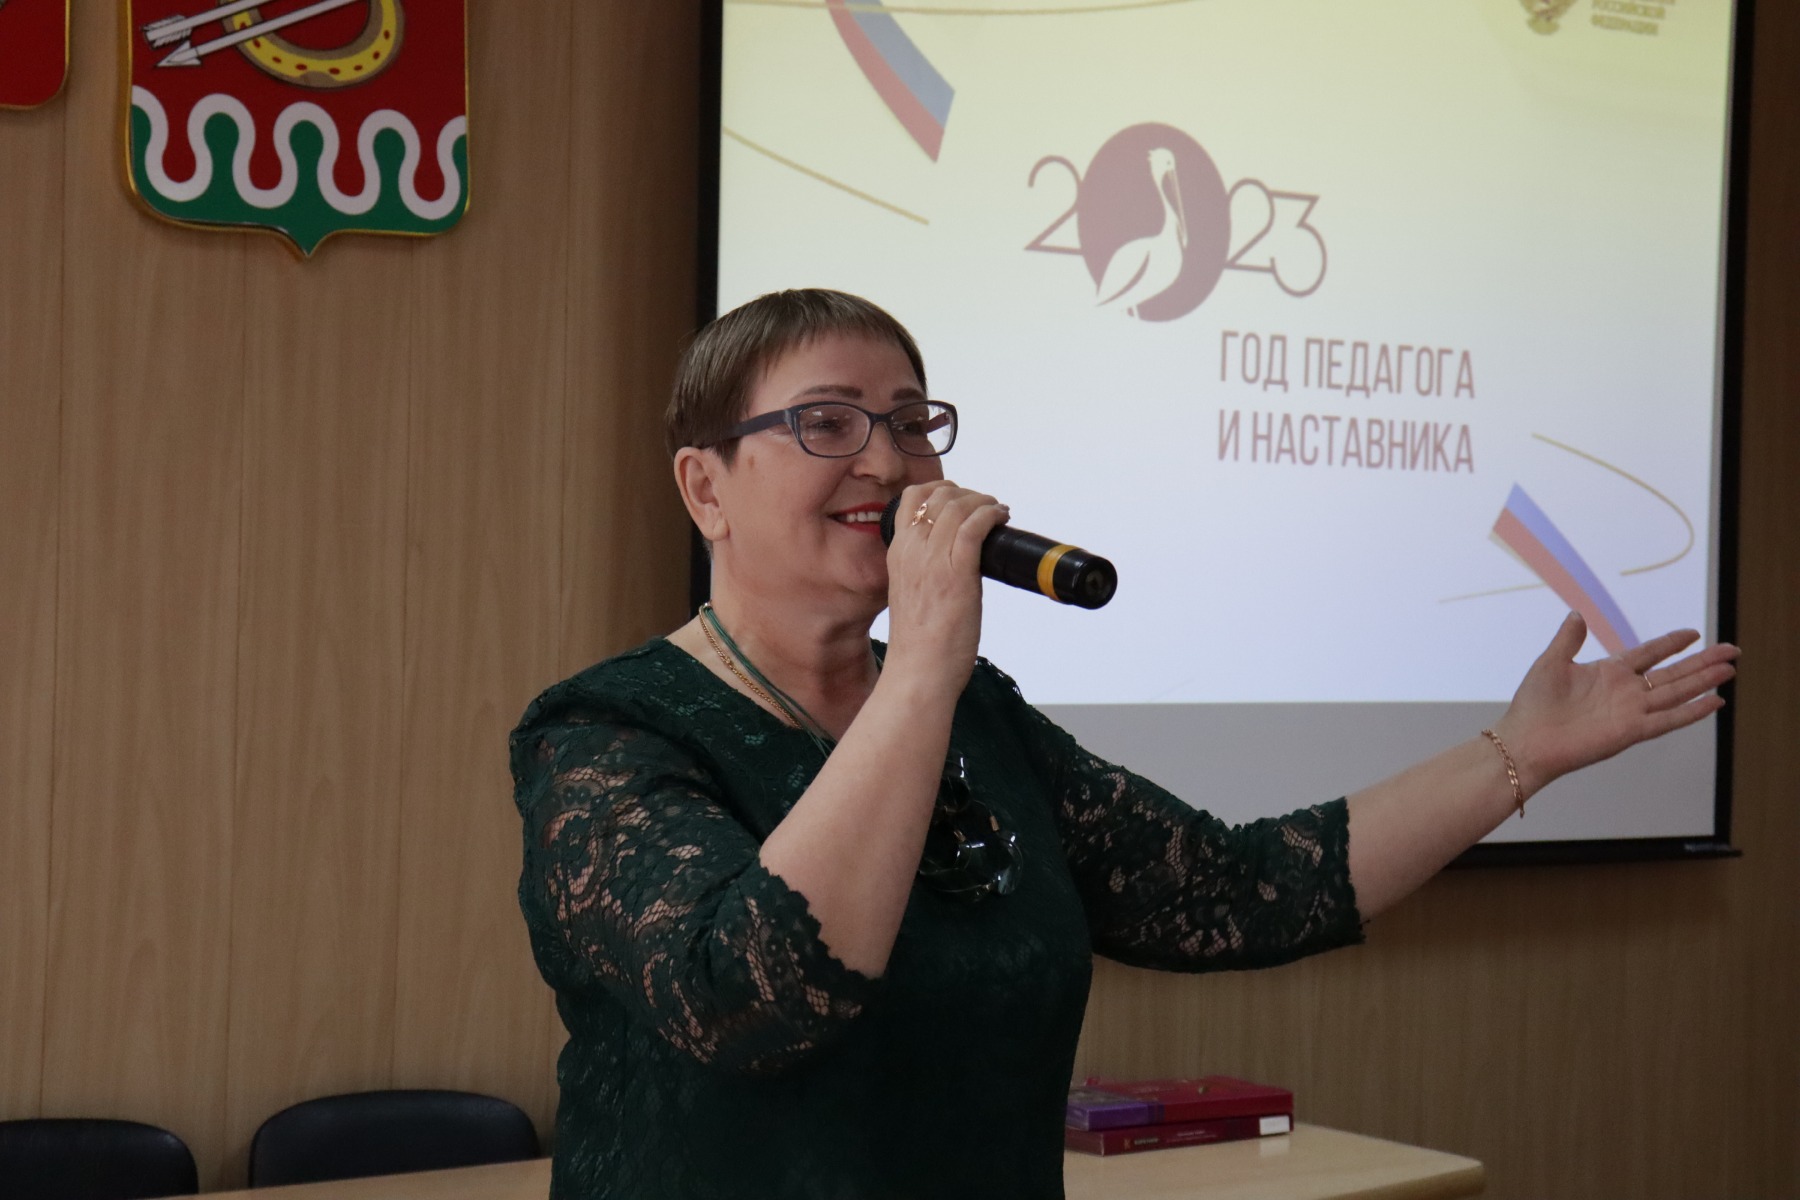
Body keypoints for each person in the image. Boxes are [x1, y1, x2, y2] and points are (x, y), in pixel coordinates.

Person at [509, 289, 1736, 1200]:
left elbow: (1238, 891)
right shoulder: (609, 731)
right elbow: (752, 999)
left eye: (911, 422)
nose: (887, 461)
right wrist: (924, 665)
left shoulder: (972, 713)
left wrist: (1518, 753)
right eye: (827, 423)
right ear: (705, 488)